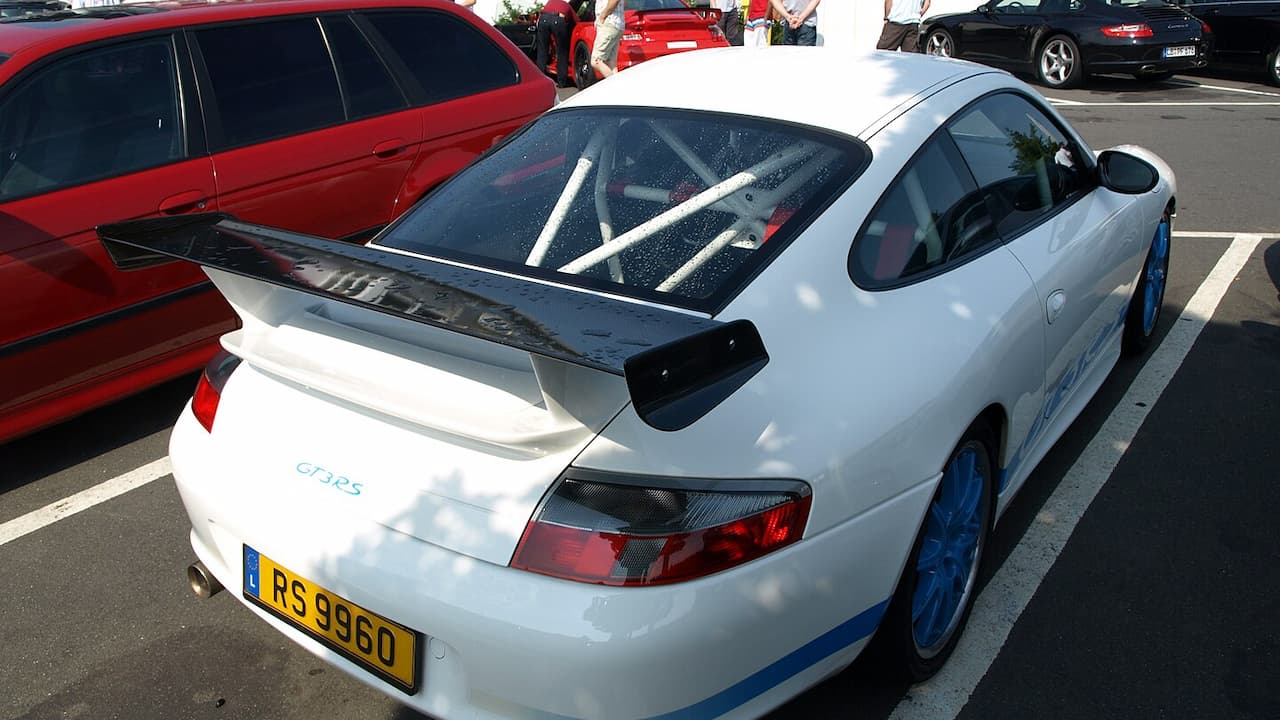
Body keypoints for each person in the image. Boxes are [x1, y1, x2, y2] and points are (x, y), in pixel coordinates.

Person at [537, 0, 585, 87]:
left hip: (543, 19)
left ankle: (540, 79)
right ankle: (562, 82)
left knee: (542, 50)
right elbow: (577, 22)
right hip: (558, 20)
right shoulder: (568, 7)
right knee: (562, 52)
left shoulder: (550, 2)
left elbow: (541, 13)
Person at [591, 0, 625, 80]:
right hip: (616, 24)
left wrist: (603, 15)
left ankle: (616, 85)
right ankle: (616, 90)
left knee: (596, 61)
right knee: (611, 63)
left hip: (609, 22)